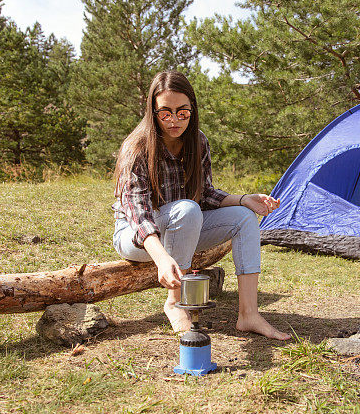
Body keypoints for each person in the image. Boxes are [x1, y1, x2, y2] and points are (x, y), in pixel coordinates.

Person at [111, 70, 291, 340]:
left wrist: (244, 200)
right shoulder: (136, 147)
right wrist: (161, 258)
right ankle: (175, 302)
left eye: (182, 112)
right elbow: (138, 213)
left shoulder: (198, 141)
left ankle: (249, 314)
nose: (174, 120)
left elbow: (205, 194)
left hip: (185, 226)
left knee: (243, 217)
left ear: (192, 110)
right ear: (153, 111)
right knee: (186, 209)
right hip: (136, 237)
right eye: (165, 113)